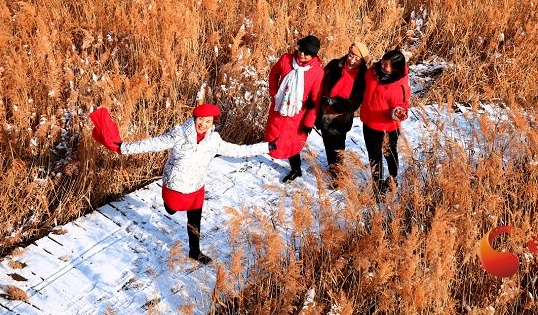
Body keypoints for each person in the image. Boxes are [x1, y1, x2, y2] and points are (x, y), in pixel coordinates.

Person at [90, 103, 274, 264]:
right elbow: (152, 144)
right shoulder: (178, 134)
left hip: (196, 186)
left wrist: (266, 147)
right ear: (194, 118)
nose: (203, 124)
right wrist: (123, 147)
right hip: (175, 185)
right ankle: (168, 205)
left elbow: (238, 151)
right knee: (172, 208)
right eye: (200, 119)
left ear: (213, 123)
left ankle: (195, 251)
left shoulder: (214, 141)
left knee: (195, 220)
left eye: (208, 121)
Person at [264, 35, 324, 183]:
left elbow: (315, 100)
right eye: (301, 50)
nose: (302, 54)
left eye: (307, 53)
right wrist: (274, 93)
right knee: (274, 135)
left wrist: (309, 122)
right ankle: (272, 155)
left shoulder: (317, 72)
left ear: (313, 55)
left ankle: (295, 169)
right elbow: (273, 74)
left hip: (298, 114)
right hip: (279, 108)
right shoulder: (286, 59)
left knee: (292, 142)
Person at [316, 41, 369, 187]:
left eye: (356, 58)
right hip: (325, 111)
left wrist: (337, 103)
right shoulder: (334, 65)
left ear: (362, 61)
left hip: (341, 116)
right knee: (327, 143)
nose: (352, 60)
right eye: (351, 55)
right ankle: (333, 169)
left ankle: (338, 176)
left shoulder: (362, 77)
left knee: (338, 146)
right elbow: (319, 82)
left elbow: (355, 102)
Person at [360, 49, 410, 193]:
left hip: (387, 127)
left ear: (395, 68)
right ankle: (378, 187)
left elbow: (403, 107)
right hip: (368, 122)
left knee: (389, 154)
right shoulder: (373, 71)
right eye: (382, 61)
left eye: (386, 64)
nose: (382, 65)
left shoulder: (398, 85)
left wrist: (399, 113)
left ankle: (393, 178)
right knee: (374, 157)